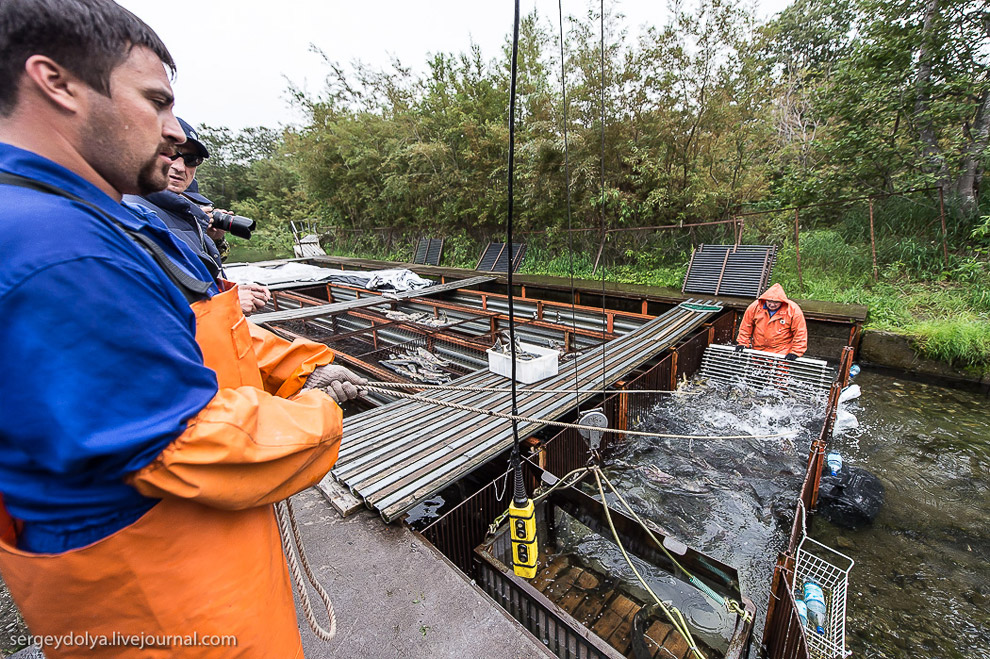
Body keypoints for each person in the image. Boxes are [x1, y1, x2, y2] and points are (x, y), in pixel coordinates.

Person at [0, 1, 365, 656]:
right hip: (163, 594)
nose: (173, 132)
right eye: (156, 101)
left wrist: (302, 362)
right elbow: (186, 441)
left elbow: (191, 332)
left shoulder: (101, 219)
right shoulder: (59, 248)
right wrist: (320, 412)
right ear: (56, 82)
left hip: (203, 560)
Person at [124, 117, 270, 314]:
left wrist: (213, 241)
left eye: (191, 160)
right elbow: (144, 305)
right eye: (168, 153)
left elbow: (192, 279)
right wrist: (228, 302)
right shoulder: (132, 214)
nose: (180, 167)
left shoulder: (181, 212)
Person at [735, 283, 808, 359]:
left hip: (781, 351)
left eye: (776, 302)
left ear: (782, 301)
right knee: (756, 365)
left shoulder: (793, 310)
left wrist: (795, 352)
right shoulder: (755, 307)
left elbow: (800, 332)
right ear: (765, 299)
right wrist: (742, 343)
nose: (772, 304)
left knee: (779, 366)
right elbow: (746, 326)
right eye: (769, 301)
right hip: (758, 349)